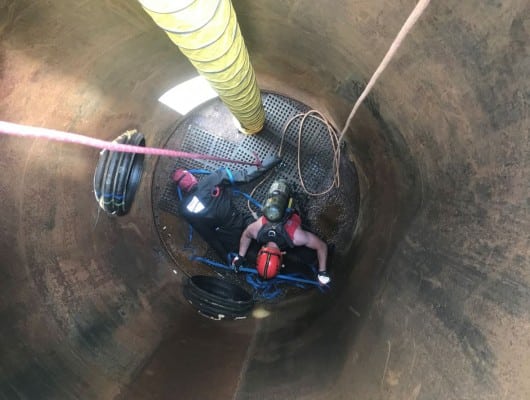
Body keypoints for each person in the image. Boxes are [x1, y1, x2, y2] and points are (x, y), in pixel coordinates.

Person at [173, 155, 281, 262]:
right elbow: (245, 176)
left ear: (182, 189)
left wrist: (226, 257)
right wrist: (274, 160)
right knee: (273, 238)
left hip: (229, 237)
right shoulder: (214, 178)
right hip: (242, 221)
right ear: (192, 177)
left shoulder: (184, 209)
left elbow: (208, 235)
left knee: (259, 258)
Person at [233, 179, 331, 285]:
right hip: (277, 213)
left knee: (308, 256)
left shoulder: (296, 237)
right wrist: (240, 257)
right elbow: (246, 234)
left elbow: (321, 246)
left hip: (291, 212)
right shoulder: (257, 230)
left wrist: (322, 272)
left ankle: (300, 199)